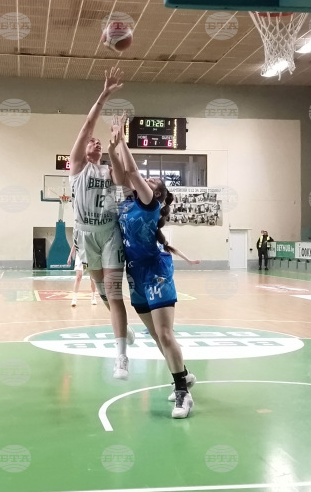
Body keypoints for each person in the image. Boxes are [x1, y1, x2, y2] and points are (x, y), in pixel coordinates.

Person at [110, 114, 199, 418]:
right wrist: (113, 146)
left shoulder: (150, 203)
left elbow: (132, 171)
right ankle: (183, 375)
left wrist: (123, 140)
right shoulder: (128, 201)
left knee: (165, 334)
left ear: (158, 193)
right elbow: (121, 174)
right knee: (157, 337)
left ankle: (183, 393)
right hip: (135, 272)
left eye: (153, 182)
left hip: (156, 271)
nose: (146, 182)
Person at [68, 66, 134, 380]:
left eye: (98, 142)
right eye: (90, 141)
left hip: (109, 234)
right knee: (104, 292)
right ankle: (124, 332)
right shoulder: (77, 167)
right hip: (85, 236)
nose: (94, 142)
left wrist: (116, 145)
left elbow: (125, 182)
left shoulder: (108, 170)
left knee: (114, 293)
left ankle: (121, 357)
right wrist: (104, 95)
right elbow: (87, 126)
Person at [67, 241, 97, 307]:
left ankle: (93, 297)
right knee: (78, 277)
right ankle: (74, 299)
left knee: (92, 278)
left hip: (89, 256)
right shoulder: (77, 234)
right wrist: (70, 256)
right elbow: (74, 244)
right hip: (80, 257)